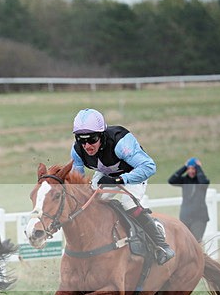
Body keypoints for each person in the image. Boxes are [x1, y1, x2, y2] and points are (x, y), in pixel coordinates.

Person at [70, 108, 175, 265]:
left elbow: (149, 167)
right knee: (90, 204)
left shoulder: (120, 142)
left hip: (134, 173)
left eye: (92, 139)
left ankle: (162, 245)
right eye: (81, 139)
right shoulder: (77, 150)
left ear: (102, 135)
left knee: (128, 204)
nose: (87, 145)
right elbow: (76, 182)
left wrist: (120, 180)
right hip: (106, 174)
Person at [168, 157, 210, 241]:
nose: (191, 171)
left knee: (196, 241)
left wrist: (198, 167)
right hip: (185, 217)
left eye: (193, 168)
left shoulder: (203, 181)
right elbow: (171, 180)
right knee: (184, 243)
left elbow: (203, 182)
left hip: (199, 218)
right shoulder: (184, 181)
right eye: (189, 169)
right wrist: (184, 167)